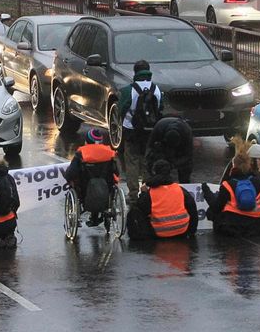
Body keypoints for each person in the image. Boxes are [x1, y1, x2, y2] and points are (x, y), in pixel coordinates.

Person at [202, 142, 260, 238]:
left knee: (211, 212)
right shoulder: (257, 182)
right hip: (257, 226)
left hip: (233, 227)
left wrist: (206, 191)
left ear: (234, 166)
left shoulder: (227, 185)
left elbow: (216, 207)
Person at [118, 60, 162, 200]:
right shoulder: (156, 89)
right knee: (147, 161)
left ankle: (133, 194)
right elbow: (160, 109)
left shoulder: (128, 90)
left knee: (132, 161)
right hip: (150, 131)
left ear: (135, 72)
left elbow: (121, 110)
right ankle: (147, 191)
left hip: (132, 130)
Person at [127, 159, 198, 240]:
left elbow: (141, 208)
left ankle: (137, 238)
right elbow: (193, 211)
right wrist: (191, 231)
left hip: (159, 233)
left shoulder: (151, 193)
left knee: (134, 210)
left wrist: (143, 192)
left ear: (154, 172)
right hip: (181, 231)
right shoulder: (180, 189)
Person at [64, 128, 120, 226]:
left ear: (87, 141)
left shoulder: (81, 153)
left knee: (75, 183)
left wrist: (68, 178)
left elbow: (71, 173)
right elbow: (116, 172)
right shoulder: (109, 152)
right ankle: (95, 217)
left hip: (85, 190)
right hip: (106, 189)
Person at [144, 114, 194, 183]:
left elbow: (188, 156)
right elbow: (150, 145)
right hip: (163, 147)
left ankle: (184, 184)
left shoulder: (187, 133)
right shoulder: (159, 127)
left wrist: (173, 164)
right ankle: (158, 181)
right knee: (158, 164)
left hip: (180, 149)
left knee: (186, 168)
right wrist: (149, 163)